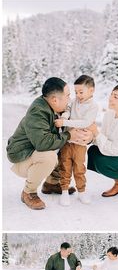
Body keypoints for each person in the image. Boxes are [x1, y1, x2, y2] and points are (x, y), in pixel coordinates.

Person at [6, 77, 82, 210]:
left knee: (64, 144)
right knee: (49, 155)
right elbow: (43, 143)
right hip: (22, 158)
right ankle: (28, 192)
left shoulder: (56, 108)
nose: (69, 100)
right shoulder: (38, 112)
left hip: (33, 154)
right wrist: (69, 134)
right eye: (67, 96)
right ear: (54, 100)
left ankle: (51, 183)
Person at [54, 75, 99, 206]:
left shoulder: (93, 106)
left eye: (81, 92)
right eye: (76, 92)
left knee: (79, 168)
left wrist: (65, 121)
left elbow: (85, 122)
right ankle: (64, 191)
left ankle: (82, 191)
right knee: (65, 166)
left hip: (80, 143)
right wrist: (65, 115)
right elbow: (67, 108)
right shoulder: (74, 102)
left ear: (91, 91)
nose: (78, 95)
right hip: (67, 141)